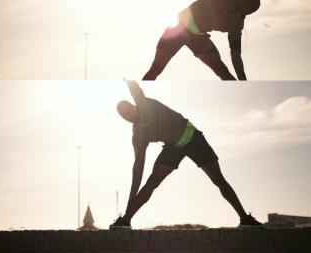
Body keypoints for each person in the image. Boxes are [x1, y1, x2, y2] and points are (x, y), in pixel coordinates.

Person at [109, 81, 262, 229]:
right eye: (124, 116)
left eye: (128, 111)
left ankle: (245, 218)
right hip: (173, 146)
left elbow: (135, 89)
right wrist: (131, 198)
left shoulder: (144, 104)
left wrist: (127, 79)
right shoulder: (138, 135)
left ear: (133, 106)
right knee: (152, 181)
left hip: (193, 137)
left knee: (218, 178)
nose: (128, 117)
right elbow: (138, 167)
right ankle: (126, 220)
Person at [142, 0, 297, 80]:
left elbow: (236, 56)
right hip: (178, 28)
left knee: (223, 72)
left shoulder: (237, 25)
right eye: (248, 5)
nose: (247, 10)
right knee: (155, 71)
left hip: (198, 36)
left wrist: (243, 80)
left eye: (251, 10)